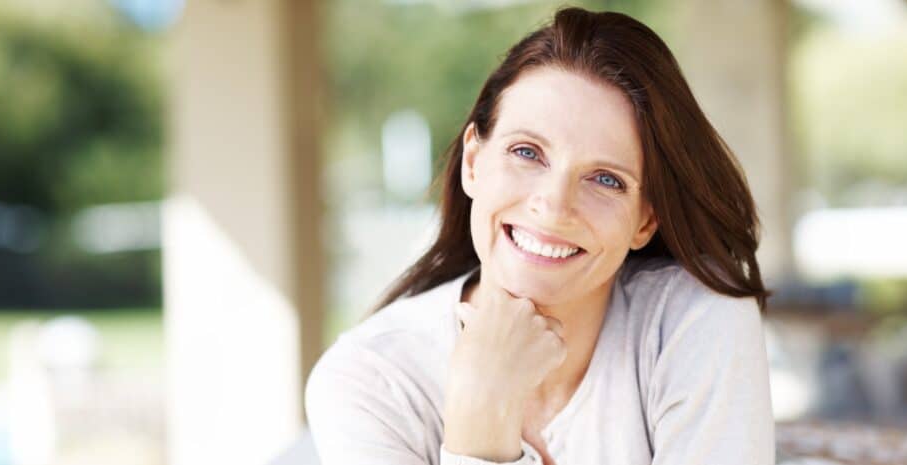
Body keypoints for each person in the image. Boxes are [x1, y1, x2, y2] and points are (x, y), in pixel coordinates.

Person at [305, 6, 775, 465]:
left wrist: (482, 415)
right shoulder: (370, 381)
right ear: (473, 162)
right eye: (527, 152)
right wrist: (483, 413)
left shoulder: (692, 320)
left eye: (606, 179)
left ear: (645, 221)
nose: (553, 206)